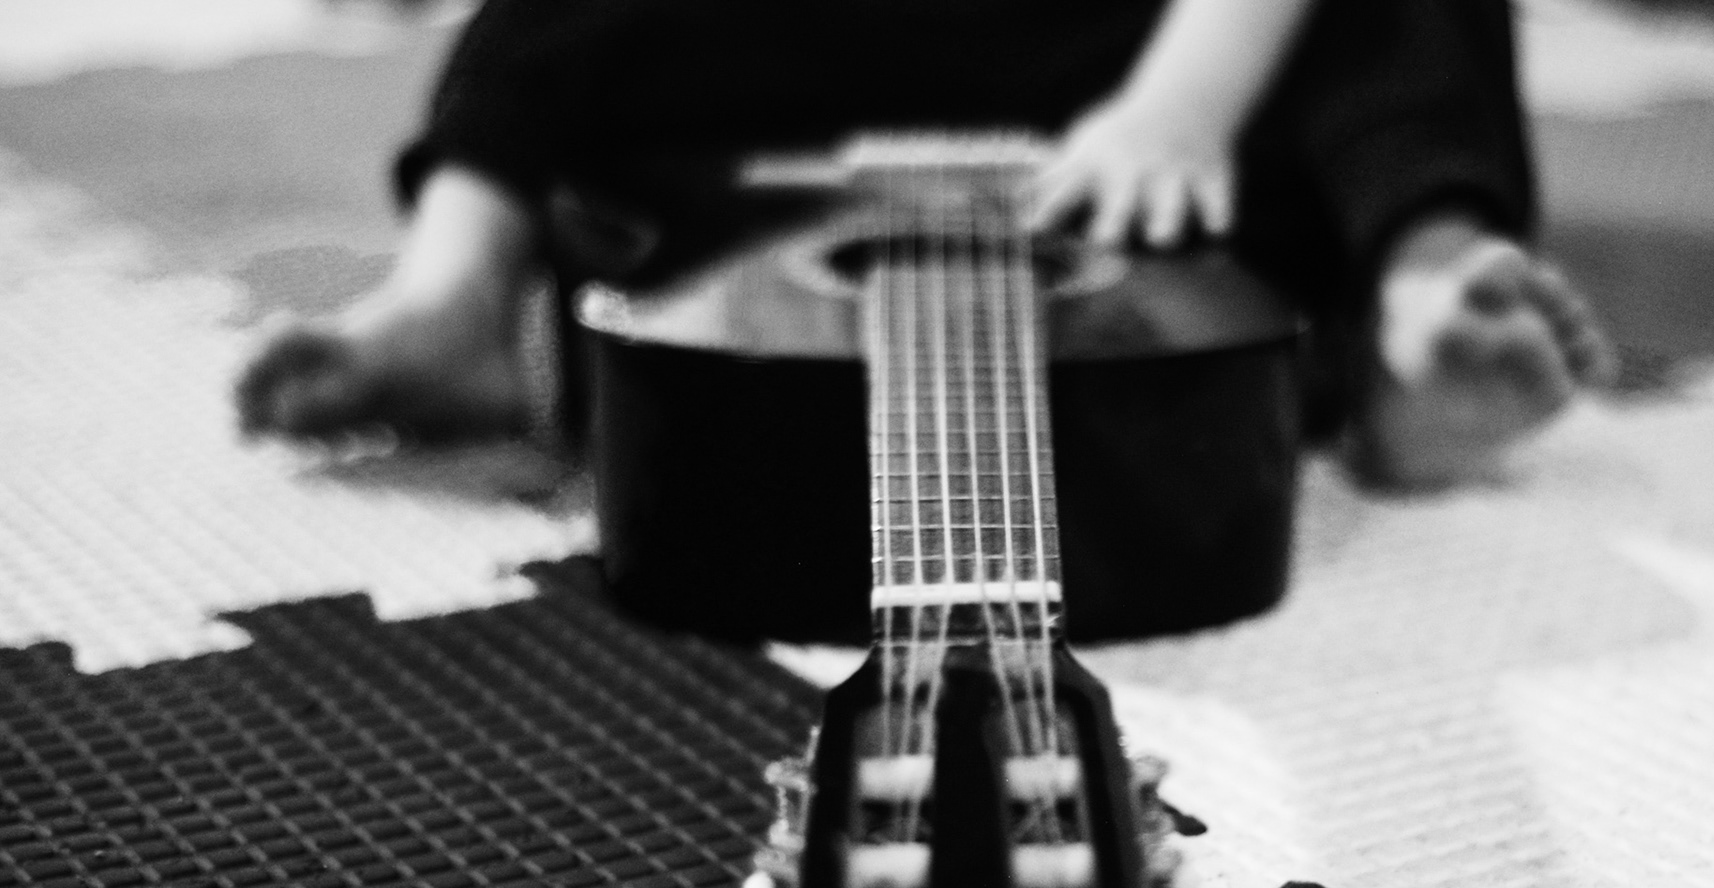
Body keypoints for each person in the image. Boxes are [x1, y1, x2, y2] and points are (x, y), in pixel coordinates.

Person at [237, 0, 1610, 492]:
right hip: (826, 101)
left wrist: (1181, 108)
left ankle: (1418, 298)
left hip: (1164, 96)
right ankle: (458, 292)